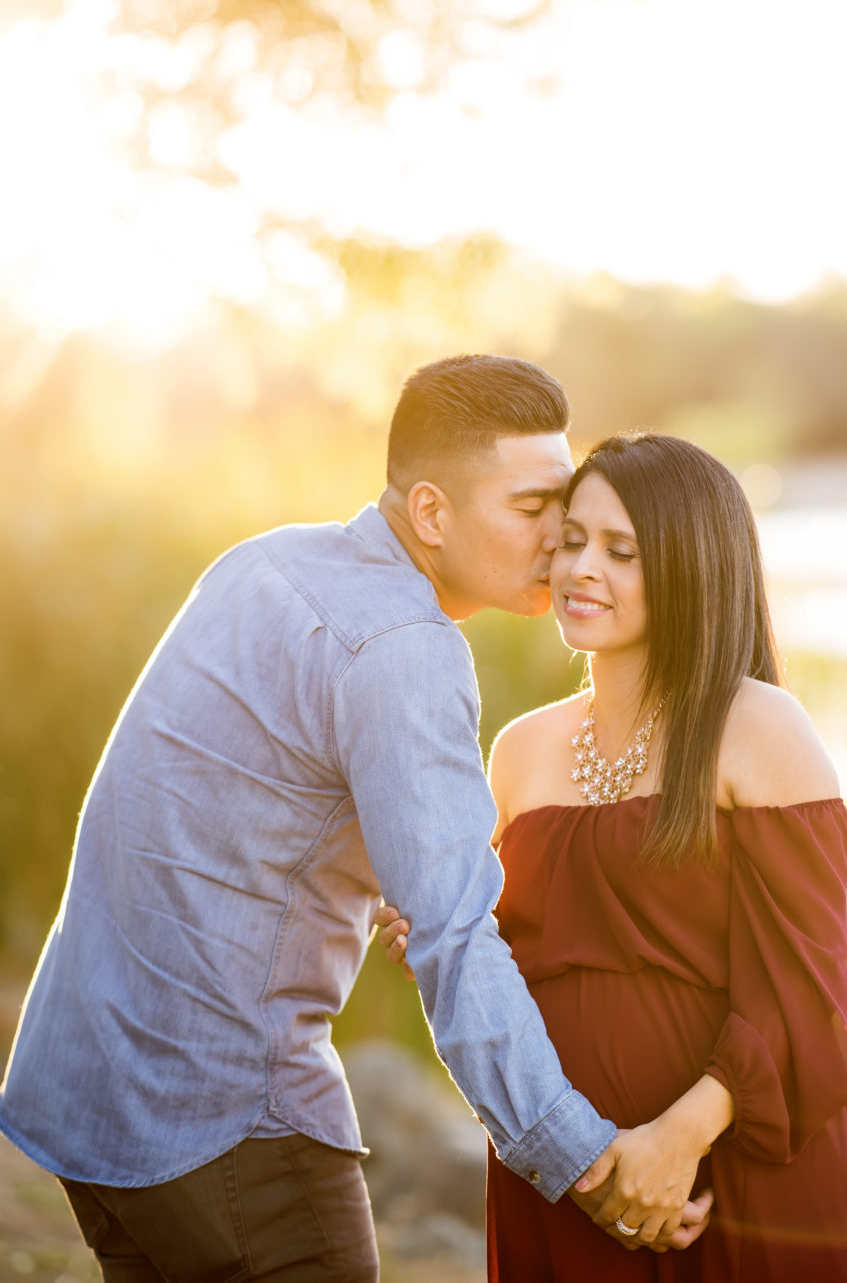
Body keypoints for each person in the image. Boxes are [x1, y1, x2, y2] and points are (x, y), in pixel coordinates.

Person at [0, 358, 706, 1282]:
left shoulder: (266, 562)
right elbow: (454, 934)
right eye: (531, 509)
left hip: (89, 1092)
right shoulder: (404, 646)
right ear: (431, 514)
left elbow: (211, 802)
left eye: (563, 505)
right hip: (225, 1121)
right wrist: (581, 1158)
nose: (561, 541)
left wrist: (371, 874)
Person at [378, 431, 847, 1280]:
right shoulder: (520, 750)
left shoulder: (754, 725)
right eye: (572, 539)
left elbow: (806, 992)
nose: (580, 568)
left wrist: (673, 1144)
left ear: (689, 566)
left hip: (732, 1178)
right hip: (571, 1178)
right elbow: (509, 966)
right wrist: (434, 934)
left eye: (622, 551)